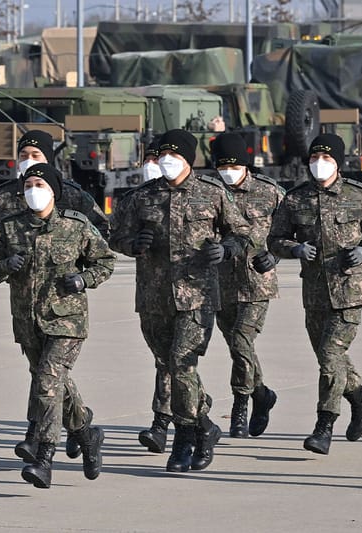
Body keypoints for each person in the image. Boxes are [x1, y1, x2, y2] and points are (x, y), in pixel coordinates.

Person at [108, 129, 252, 473]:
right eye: (161, 156)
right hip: (154, 298)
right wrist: (133, 244)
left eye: (174, 155)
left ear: (190, 159)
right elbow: (113, 235)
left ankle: (185, 438)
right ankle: (206, 425)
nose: (166, 161)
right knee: (170, 365)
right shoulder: (141, 197)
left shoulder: (212, 193)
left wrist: (227, 248)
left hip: (197, 297)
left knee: (181, 363)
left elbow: (242, 233)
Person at [0, 129, 107, 461]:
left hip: (64, 308)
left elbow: (100, 235)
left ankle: (41, 445)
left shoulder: (72, 198)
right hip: (25, 303)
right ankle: (83, 430)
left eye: (35, 155)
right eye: (23, 155)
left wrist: (81, 273)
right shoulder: (3, 198)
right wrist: (3, 255)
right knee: (46, 374)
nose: (28, 163)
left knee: (49, 375)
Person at [267, 133, 362, 455]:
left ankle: (324, 425)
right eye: (315, 159)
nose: (320, 165)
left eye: (327, 159)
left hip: (349, 291)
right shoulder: (295, 199)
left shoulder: (360, 196)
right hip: (315, 292)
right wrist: (295, 248)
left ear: (339, 163)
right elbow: (275, 238)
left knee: (330, 357)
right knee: (327, 357)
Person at [210, 132, 282, 438]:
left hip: (256, 281)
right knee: (239, 348)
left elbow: (291, 229)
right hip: (220, 282)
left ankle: (240, 405)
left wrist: (275, 254)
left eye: (234, 165)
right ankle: (261, 393)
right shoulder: (209, 192)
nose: (228, 170)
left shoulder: (270, 193)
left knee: (241, 341)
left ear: (245, 165)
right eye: (222, 165)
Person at [0, 129, 110, 250]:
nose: (28, 160)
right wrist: (4, 248)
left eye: (35, 155)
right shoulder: (1, 196)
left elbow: (101, 227)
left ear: (47, 159)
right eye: (23, 156)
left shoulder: (72, 194)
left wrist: (78, 251)